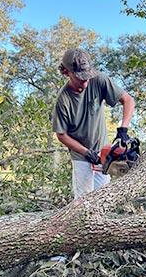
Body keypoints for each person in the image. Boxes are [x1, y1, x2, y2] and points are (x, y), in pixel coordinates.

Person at [52, 48, 135, 199]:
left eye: (87, 76)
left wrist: (123, 129)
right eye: (80, 77)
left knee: (102, 198)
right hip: (80, 156)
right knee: (83, 201)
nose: (85, 80)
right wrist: (86, 153)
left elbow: (128, 100)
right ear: (66, 72)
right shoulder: (63, 100)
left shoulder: (99, 80)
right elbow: (61, 135)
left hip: (103, 150)